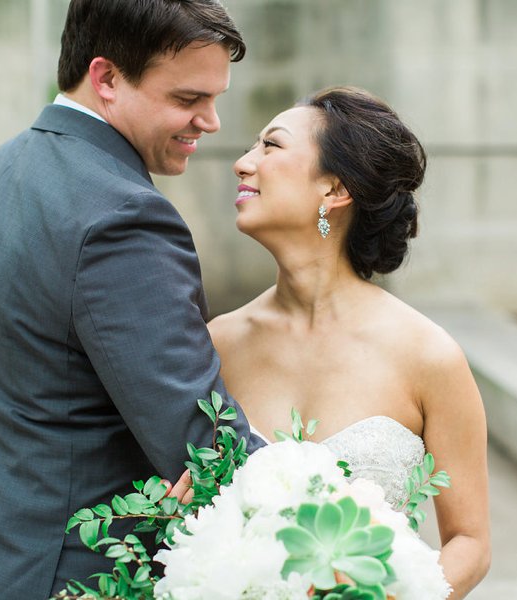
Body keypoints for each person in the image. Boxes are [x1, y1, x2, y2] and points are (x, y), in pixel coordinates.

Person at [0, 1, 264, 597]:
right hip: (74, 578)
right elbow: (200, 442)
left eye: (215, 98)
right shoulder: (123, 216)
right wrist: (329, 514)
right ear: (106, 77)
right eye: (188, 99)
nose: (210, 122)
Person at [208, 86, 491, 598]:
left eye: (270, 147)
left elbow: (469, 540)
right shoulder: (215, 345)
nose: (243, 164)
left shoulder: (428, 355)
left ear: (335, 190)